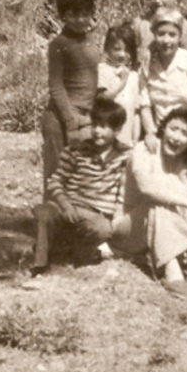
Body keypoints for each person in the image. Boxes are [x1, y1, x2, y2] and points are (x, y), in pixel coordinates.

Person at [118, 106, 187, 298]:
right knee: (164, 201)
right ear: (163, 128)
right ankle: (171, 273)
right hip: (129, 226)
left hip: (163, 227)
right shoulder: (144, 149)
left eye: (185, 133)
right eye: (173, 128)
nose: (176, 137)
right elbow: (147, 188)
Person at [32, 98, 131, 273]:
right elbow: (55, 181)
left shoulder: (125, 155)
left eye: (104, 126)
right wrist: (65, 205)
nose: (97, 131)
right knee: (44, 213)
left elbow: (126, 187)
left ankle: (75, 252)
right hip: (68, 205)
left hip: (95, 213)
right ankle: (40, 265)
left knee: (103, 229)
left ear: (117, 130)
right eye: (95, 125)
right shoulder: (76, 150)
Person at [41, 0, 99, 197]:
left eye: (85, 14)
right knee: (56, 176)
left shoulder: (90, 40)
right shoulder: (58, 44)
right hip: (60, 121)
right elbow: (56, 88)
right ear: (63, 15)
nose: (81, 20)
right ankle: (48, 228)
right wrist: (71, 124)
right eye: (74, 14)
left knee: (79, 176)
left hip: (85, 119)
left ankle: (71, 225)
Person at [139, 7, 187, 154]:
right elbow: (145, 104)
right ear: (154, 35)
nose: (166, 40)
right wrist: (150, 132)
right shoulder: (147, 63)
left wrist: (181, 134)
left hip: (185, 132)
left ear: (180, 36)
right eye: (161, 34)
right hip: (156, 133)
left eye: (172, 34)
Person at [97, 22, 140, 147]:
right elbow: (104, 98)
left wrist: (135, 139)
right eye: (117, 49)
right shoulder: (102, 70)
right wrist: (122, 83)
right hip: (104, 139)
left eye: (127, 50)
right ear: (107, 49)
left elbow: (136, 111)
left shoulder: (134, 76)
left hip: (126, 140)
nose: (122, 54)